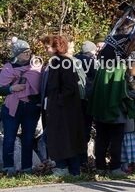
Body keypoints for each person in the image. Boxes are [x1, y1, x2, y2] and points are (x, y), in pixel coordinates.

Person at [40, 34, 87, 177]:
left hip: (65, 109)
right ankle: (66, 168)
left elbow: (69, 87)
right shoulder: (56, 61)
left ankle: (70, 169)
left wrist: (58, 101)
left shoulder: (63, 62)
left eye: (48, 46)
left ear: (56, 47)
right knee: (61, 138)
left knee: (66, 138)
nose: (46, 49)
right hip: (60, 107)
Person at [90, 44, 135, 175]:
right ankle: (115, 168)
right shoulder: (121, 68)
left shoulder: (101, 69)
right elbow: (125, 92)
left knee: (101, 140)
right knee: (116, 142)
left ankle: (100, 167)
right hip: (117, 112)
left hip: (101, 112)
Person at [1, 40, 42, 175]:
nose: (28, 54)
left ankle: (27, 168)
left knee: (28, 138)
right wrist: (12, 88)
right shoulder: (8, 68)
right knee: (9, 138)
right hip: (11, 107)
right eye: (24, 52)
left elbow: (40, 88)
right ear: (17, 54)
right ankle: (8, 167)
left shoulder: (35, 67)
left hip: (30, 107)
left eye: (29, 51)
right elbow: (1, 89)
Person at [74, 40, 99, 141]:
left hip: (74, 97)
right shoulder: (91, 61)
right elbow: (96, 79)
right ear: (91, 51)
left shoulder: (73, 59)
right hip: (87, 97)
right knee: (86, 125)